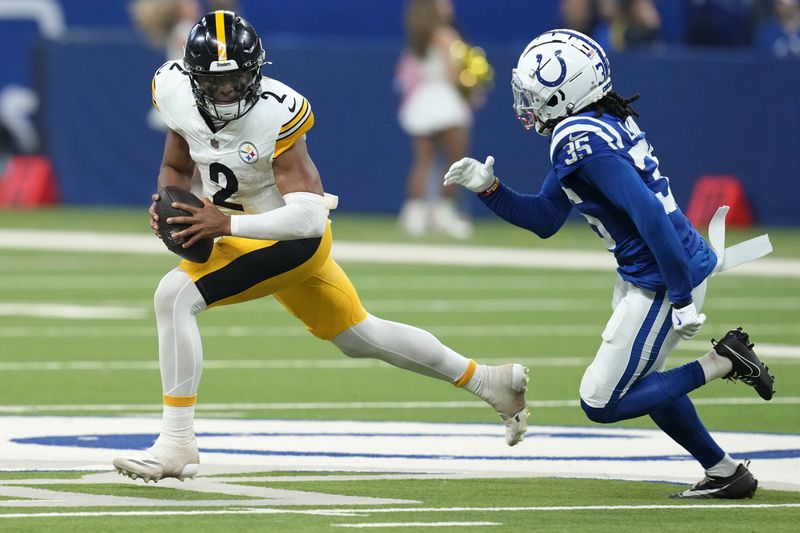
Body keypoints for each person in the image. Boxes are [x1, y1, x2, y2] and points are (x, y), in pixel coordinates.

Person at [112, 10, 529, 483]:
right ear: (192, 78)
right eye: (215, 82)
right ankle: (490, 381)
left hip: (290, 238)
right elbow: (175, 164)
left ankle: (177, 443)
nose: (227, 92)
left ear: (257, 72)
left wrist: (220, 221)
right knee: (359, 336)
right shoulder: (174, 92)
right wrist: (168, 203)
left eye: (238, 80)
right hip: (234, 227)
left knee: (174, 296)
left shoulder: (277, 111)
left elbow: (310, 216)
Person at [444, 29, 775, 499]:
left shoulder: (578, 140)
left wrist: (679, 295)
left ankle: (724, 360)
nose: (526, 104)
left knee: (600, 401)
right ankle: (725, 472)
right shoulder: (591, 125)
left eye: (535, 95)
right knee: (644, 383)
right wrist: (489, 189)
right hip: (656, 270)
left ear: (563, 93)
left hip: (664, 276)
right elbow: (545, 218)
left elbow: (648, 214)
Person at [395, 0, 488, 239]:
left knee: (423, 160)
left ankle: (414, 214)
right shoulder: (446, 35)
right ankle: (443, 213)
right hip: (445, 101)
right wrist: (472, 87)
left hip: (423, 100)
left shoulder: (418, 36)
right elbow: (453, 73)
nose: (449, 5)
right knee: (455, 160)